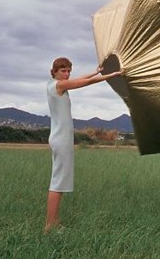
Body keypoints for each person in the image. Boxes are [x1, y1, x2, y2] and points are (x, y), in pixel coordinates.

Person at [45, 57, 121, 232]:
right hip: (61, 139)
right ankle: (50, 225)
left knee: (59, 181)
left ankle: (54, 221)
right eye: (63, 71)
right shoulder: (59, 85)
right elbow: (86, 82)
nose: (67, 74)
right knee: (57, 183)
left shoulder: (54, 85)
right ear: (54, 71)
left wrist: (96, 71)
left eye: (69, 70)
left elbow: (82, 78)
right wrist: (111, 75)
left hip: (60, 138)